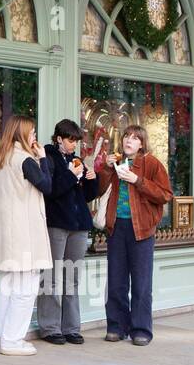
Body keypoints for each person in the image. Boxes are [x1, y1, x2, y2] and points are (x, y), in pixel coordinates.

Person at [95, 124, 173, 345]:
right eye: (126, 137)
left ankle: (141, 329)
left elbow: (165, 194)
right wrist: (108, 169)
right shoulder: (116, 162)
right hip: (116, 227)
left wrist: (137, 180)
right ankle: (116, 326)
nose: (129, 141)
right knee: (116, 281)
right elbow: (99, 191)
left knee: (141, 282)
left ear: (142, 143)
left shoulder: (151, 164)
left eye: (134, 138)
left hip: (142, 230)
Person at [0, 115, 53, 357]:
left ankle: (7, 336)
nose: (34, 136)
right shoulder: (25, 160)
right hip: (24, 233)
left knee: (7, 288)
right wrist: (43, 158)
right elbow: (47, 186)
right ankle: (13, 340)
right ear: (22, 134)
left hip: (2, 233)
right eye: (32, 132)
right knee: (25, 289)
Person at [37, 119, 101, 345]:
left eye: (76, 140)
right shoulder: (47, 155)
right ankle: (50, 327)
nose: (74, 144)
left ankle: (71, 327)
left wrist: (93, 179)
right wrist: (72, 175)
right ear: (59, 139)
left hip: (79, 225)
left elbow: (87, 196)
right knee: (51, 277)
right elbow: (51, 190)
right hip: (56, 223)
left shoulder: (77, 160)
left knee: (72, 278)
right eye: (71, 140)